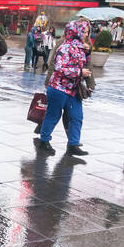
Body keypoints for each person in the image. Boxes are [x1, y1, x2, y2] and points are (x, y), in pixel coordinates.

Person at [35, 21, 90, 155]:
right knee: (53, 115)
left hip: (74, 88)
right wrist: (78, 72)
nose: (86, 34)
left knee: (77, 116)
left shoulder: (81, 47)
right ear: (75, 32)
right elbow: (59, 68)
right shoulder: (65, 47)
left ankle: (73, 144)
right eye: (83, 31)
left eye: (87, 32)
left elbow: (83, 63)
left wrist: (87, 53)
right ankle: (44, 140)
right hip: (58, 88)